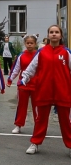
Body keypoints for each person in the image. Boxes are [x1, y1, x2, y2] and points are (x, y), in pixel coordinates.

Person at [20, 25, 71, 156]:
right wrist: (24, 79)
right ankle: (35, 143)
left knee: (65, 120)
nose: (54, 34)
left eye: (56, 32)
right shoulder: (42, 52)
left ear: (60, 35)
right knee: (41, 119)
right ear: (48, 35)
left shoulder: (66, 52)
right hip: (44, 90)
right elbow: (31, 68)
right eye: (51, 32)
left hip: (63, 91)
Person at [7, 34, 38, 134]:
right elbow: (16, 69)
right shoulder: (21, 55)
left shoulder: (39, 55)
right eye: (27, 43)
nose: (29, 45)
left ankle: (39, 126)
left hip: (37, 85)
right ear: (25, 44)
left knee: (37, 107)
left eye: (31, 43)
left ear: (35, 44)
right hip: (23, 84)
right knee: (21, 105)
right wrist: (10, 79)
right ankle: (18, 125)